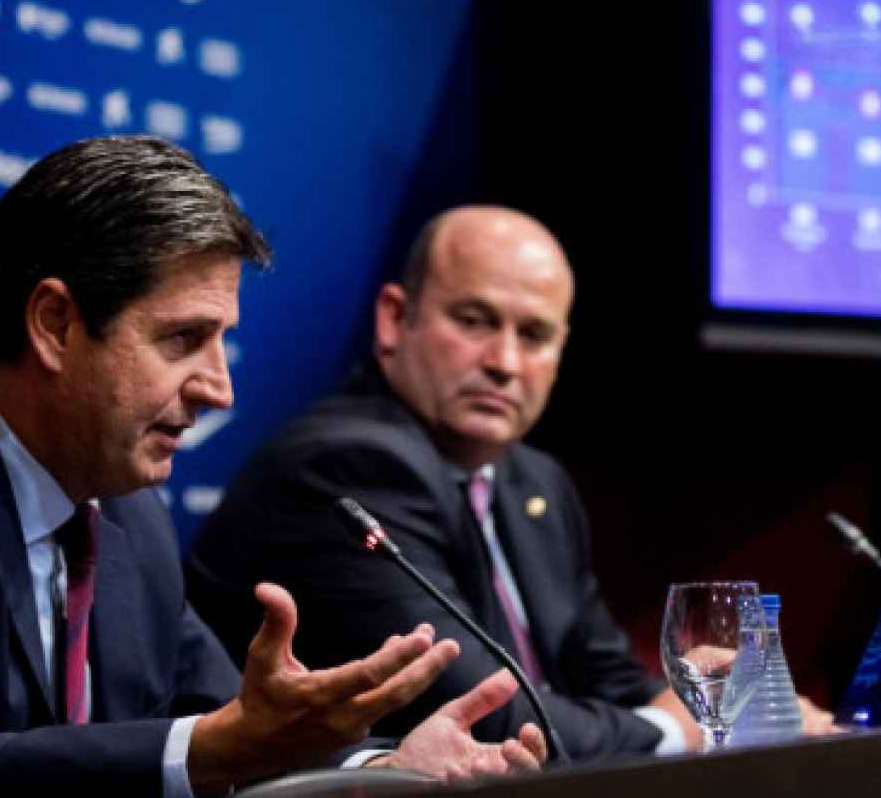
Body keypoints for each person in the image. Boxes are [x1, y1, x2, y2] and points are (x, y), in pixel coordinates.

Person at [0, 137, 544, 797]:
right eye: (183, 339)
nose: (219, 389)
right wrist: (224, 746)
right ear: (55, 326)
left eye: (222, 342)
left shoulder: (126, 519)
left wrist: (375, 771)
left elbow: (236, 726)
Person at [187, 205, 835, 761]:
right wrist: (676, 728)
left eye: (534, 335)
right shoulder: (344, 468)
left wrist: (732, 707)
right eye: (473, 321)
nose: (504, 363)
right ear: (394, 320)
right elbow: (483, 716)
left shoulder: (534, 481)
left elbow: (600, 666)